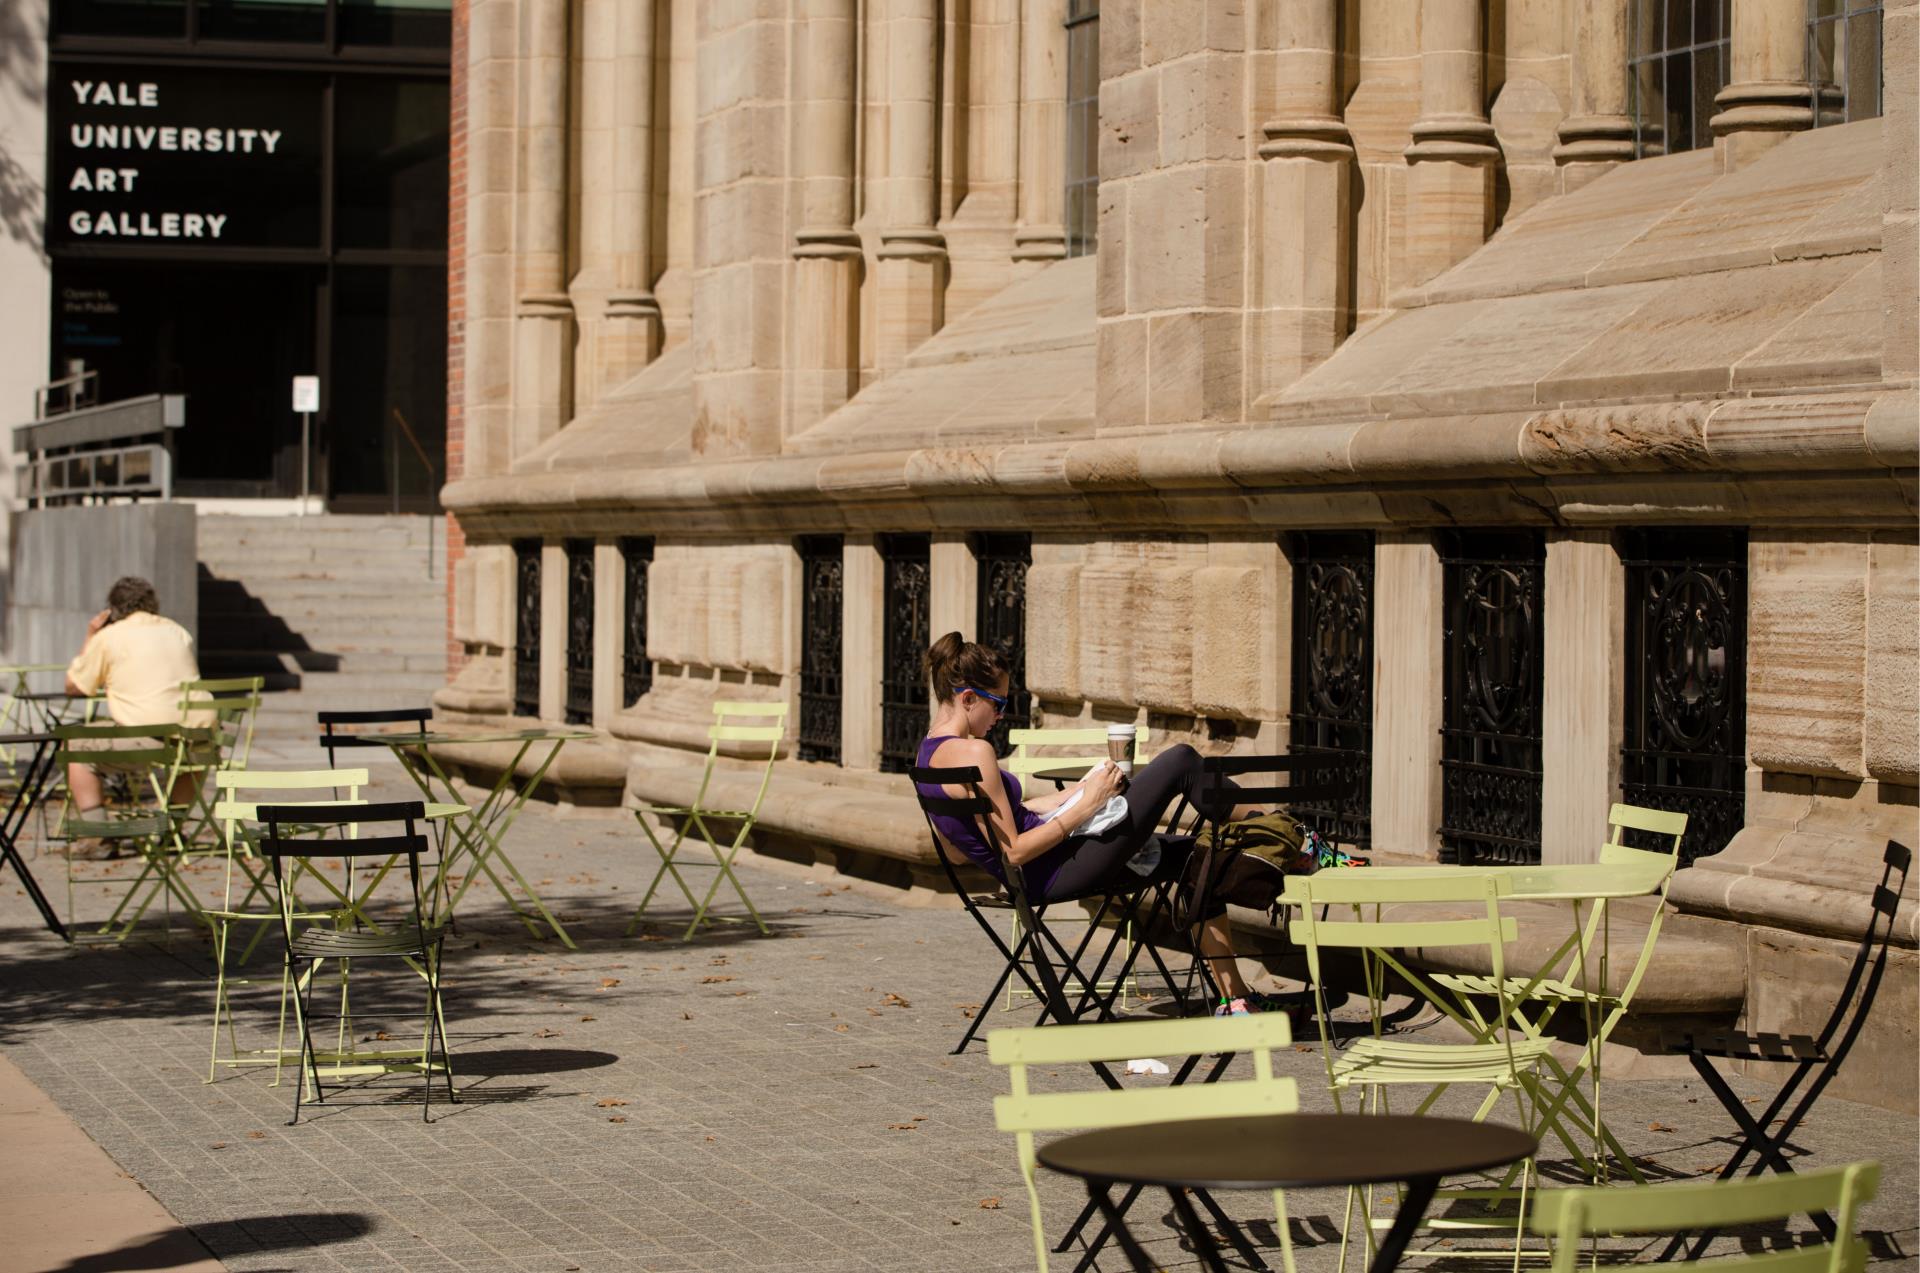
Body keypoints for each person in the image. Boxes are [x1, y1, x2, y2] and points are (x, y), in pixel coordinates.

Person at [912, 630, 1282, 1013]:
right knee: (1182, 760)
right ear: (969, 698)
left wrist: (1082, 791)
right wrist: (1087, 806)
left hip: (1041, 870)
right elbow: (1016, 850)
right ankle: (1277, 829)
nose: (1001, 715)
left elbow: (959, 851)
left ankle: (1234, 1000)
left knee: (1197, 855)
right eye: (998, 704)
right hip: (1051, 870)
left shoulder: (927, 755)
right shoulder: (975, 751)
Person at [62, 576, 209, 856]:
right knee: (184, 753)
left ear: (113, 610)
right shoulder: (178, 631)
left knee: (73, 747)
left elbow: (75, 687)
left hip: (149, 741)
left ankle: (98, 837)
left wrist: (91, 634)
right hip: (201, 742)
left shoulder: (110, 637)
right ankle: (171, 830)